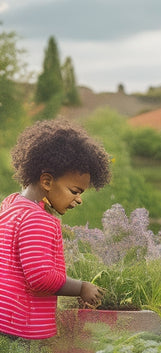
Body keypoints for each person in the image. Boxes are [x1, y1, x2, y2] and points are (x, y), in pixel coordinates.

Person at [0, 119, 112, 340]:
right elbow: (40, 277)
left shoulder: (11, 205)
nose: (78, 200)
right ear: (47, 182)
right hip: (22, 329)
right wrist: (81, 287)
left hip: (5, 321)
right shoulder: (37, 219)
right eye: (74, 191)